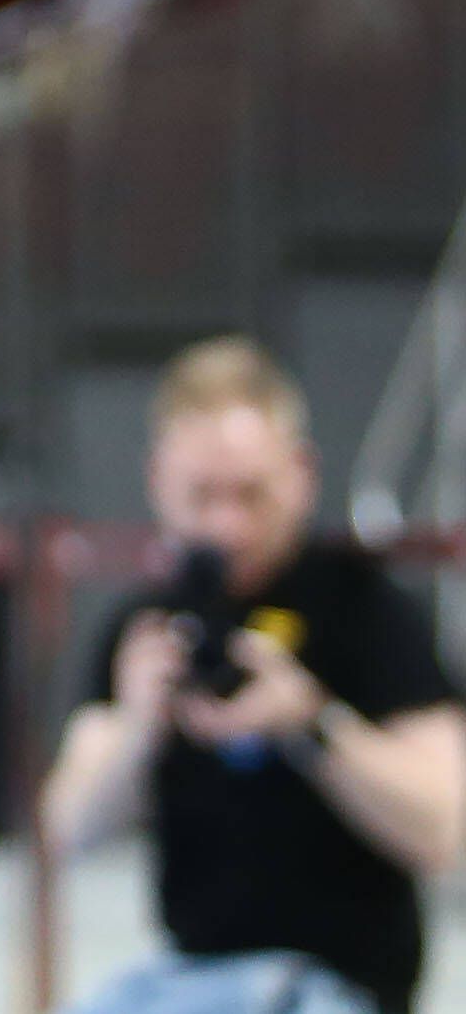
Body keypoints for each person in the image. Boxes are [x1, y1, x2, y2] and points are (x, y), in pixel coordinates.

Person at [40, 338, 464, 1014]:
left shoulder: (367, 609)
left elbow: (444, 828)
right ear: (156, 480)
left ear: (300, 474)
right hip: (189, 980)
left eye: (249, 494)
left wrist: (311, 725)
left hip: (331, 987)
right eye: (201, 495)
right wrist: (137, 730)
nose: (226, 524)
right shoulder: (146, 628)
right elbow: (64, 830)